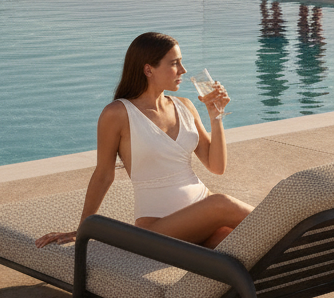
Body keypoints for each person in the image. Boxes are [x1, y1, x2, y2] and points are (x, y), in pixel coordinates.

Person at [35, 33, 253, 251]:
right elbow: (103, 174)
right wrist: (83, 229)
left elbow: (217, 167)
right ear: (148, 70)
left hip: (203, 209)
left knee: (240, 245)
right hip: (158, 227)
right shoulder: (118, 113)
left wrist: (216, 116)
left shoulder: (185, 106)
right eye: (174, 63)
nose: (183, 70)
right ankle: (274, 224)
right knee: (223, 203)